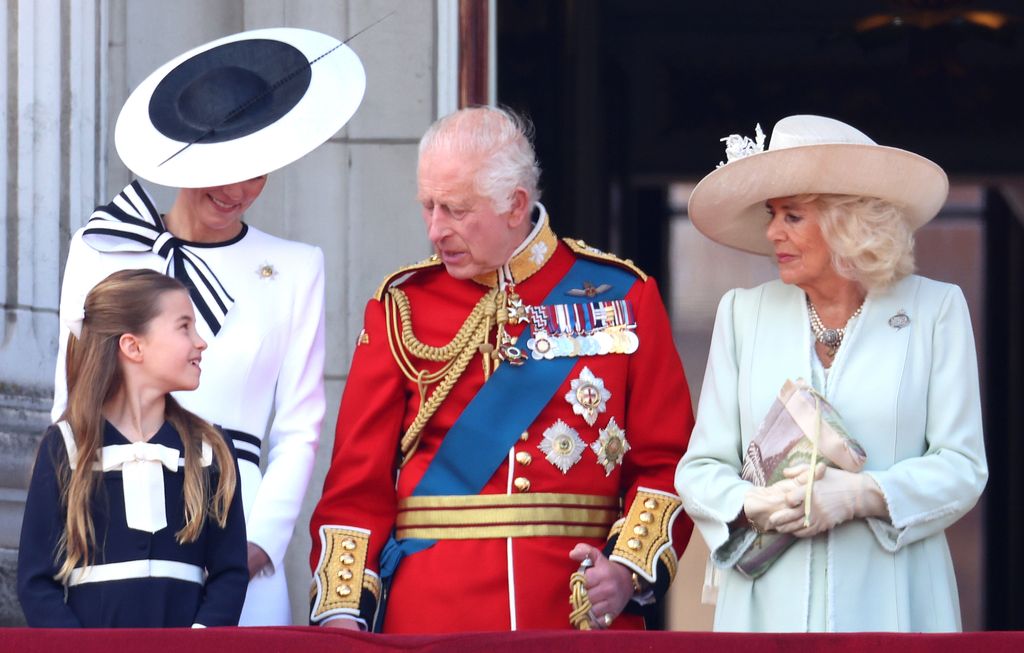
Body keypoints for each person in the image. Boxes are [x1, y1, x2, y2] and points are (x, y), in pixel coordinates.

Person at [308, 106, 694, 633]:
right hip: (431, 618)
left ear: (515, 205)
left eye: (456, 210)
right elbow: (356, 487)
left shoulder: (624, 295)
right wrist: (342, 614)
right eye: (428, 207)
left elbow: (667, 460)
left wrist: (627, 571)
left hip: (575, 616)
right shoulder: (402, 307)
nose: (435, 229)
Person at [50, 27, 365, 625]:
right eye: (226, 166)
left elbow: (300, 428)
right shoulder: (103, 250)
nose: (241, 188)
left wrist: (259, 543)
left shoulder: (298, 267)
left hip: (236, 524)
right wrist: (73, 529)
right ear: (186, 155)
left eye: (259, 169)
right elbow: (69, 403)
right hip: (116, 519)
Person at [675, 115, 988, 632]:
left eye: (793, 216)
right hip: (763, 612)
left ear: (848, 223)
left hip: (895, 608)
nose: (772, 231)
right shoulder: (741, 314)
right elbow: (700, 468)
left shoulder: (935, 310)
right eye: (773, 213)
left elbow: (962, 466)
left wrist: (862, 496)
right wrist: (752, 502)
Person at [19, 269, 247, 627]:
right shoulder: (65, 446)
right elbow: (36, 583)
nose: (200, 342)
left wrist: (201, 640)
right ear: (133, 346)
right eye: (184, 327)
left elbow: (230, 572)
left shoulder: (210, 449)